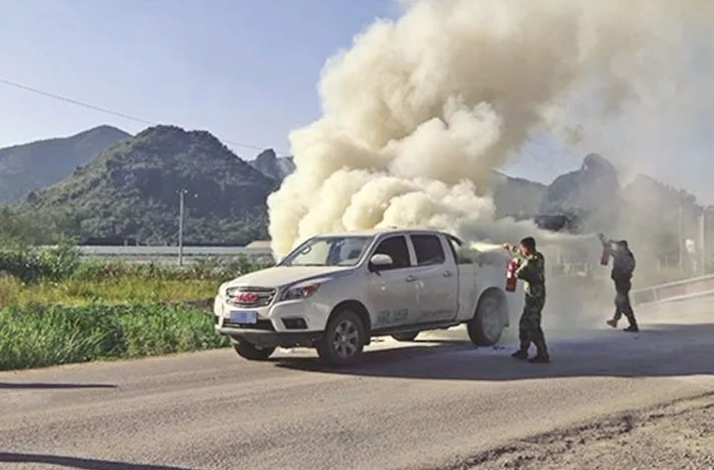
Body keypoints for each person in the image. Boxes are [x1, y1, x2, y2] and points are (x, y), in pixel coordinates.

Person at [503, 237, 550, 363]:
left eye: (522, 248)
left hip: (535, 297)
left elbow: (519, 273)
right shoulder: (537, 256)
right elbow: (521, 253)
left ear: (527, 248)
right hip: (531, 297)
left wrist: (516, 264)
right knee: (524, 324)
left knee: (533, 326)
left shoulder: (533, 261)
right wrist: (510, 248)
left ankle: (543, 353)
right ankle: (523, 350)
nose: (521, 250)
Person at [598, 234, 638, 332]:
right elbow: (611, 250)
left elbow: (611, 251)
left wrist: (604, 240)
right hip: (622, 282)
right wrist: (607, 241)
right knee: (619, 302)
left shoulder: (624, 256)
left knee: (623, 304)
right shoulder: (626, 255)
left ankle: (633, 325)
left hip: (622, 283)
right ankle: (615, 320)